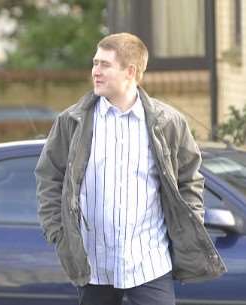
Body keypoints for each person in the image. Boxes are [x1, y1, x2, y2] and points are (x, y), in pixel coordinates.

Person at [35, 32, 226, 305]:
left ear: (131, 71)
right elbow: (49, 177)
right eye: (95, 63)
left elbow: (189, 179)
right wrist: (58, 231)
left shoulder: (168, 123)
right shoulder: (72, 122)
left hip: (149, 263)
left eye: (105, 65)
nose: (95, 72)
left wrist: (191, 220)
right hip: (94, 265)